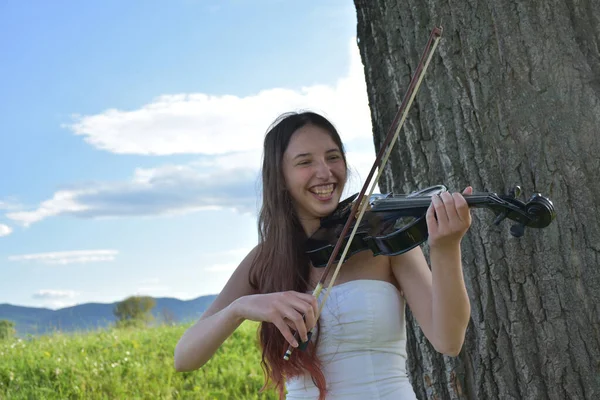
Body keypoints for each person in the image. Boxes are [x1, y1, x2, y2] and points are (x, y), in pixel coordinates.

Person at [174, 111, 472, 400]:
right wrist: (240, 308)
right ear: (280, 177)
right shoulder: (265, 259)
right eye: (305, 162)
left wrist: (446, 248)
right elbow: (185, 357)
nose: (324, 172)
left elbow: (449, 340)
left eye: (333, 157)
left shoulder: (381, 239)